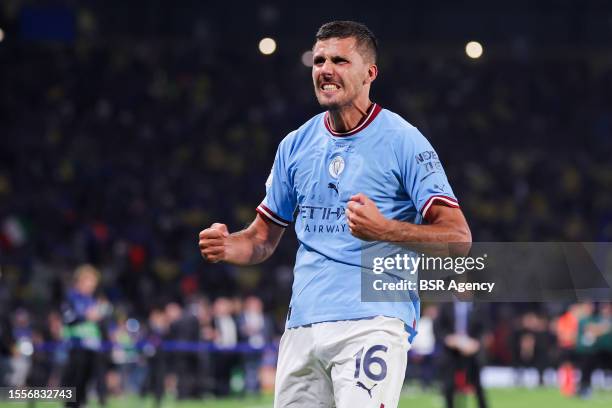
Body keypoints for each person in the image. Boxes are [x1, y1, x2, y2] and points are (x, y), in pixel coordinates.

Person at [199, 20, 470, 408]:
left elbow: (459, 239)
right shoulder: (295, 145)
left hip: (373, 322)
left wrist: (385, 229)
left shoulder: (404, 140)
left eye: (340, 60)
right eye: (319, 60)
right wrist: (229, 245)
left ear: (369, 73)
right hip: (302, 326)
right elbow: (261, 239)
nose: (325, 69)